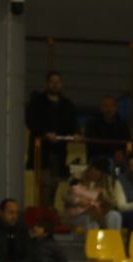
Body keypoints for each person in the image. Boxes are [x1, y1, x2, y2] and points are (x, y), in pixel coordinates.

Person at [26, 72, 79, 205]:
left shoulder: (67, 104)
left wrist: (77, 133)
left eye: (58, 82)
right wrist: (45, 133)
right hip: (42, 151)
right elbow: (31, 121)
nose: (55, 84)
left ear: (61, 84)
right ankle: (42, 210)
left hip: (59, 151)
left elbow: (73, 123)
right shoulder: (37, 102)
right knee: (43, 184)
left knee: (55, 184)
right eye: (52, 81)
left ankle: (49, 210)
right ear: (47, 84)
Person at [84, 95, 131, 175]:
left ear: (116, 108)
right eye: (105, 106)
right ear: (101, 108)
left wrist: (123, 154)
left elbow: (127, 143)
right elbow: (92, 144)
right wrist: (113, 153)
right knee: (109, 165)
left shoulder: (123, 124)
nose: (109, 109)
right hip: (97, 157)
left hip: (119, 159)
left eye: (112, 106)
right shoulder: (92, 123)